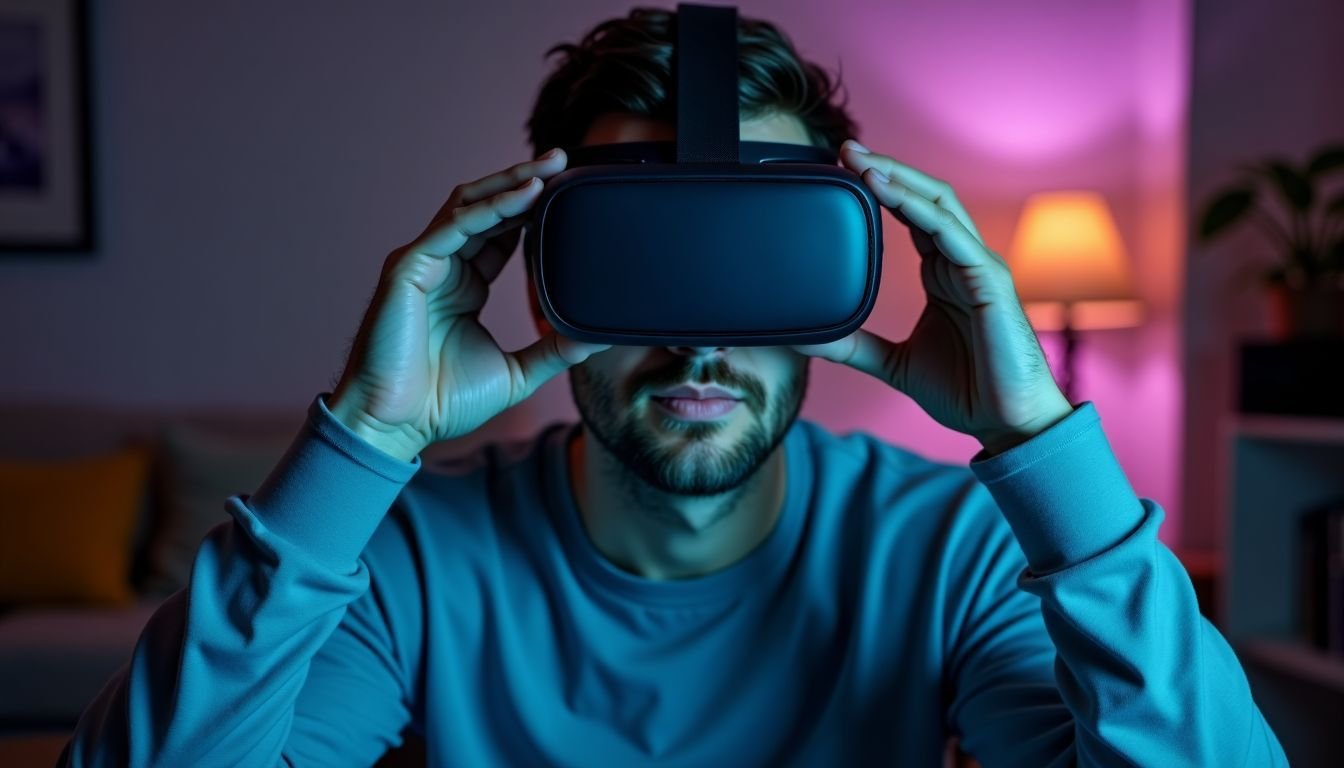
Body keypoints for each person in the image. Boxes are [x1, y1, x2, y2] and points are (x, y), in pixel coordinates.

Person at [62, 7, 1286, 767]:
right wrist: (366, 441)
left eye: (752, 263)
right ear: (543, 281)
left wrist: (1037, 440)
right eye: (646, 258)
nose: (701, 341)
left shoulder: (952, 550)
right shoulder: (414, 555)